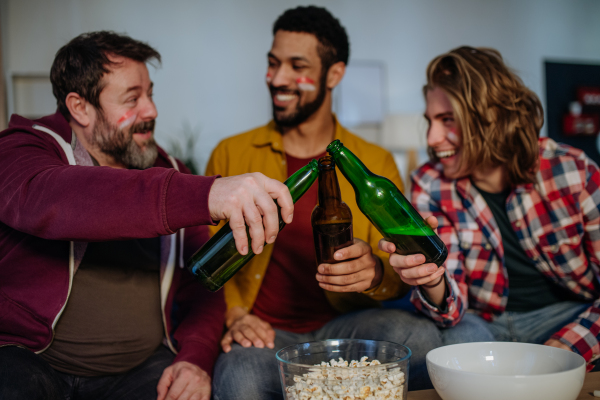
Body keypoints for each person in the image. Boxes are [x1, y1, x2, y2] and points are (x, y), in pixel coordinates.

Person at [0, 31, 294, 400]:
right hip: (27, 360)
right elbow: (59, 198)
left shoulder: (172, 169)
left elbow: (201, 286)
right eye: (132, 99)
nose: (151, 110)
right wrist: (207, 192)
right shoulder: (21, 149)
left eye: (150, 93)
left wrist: (196, 359)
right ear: (80, 107)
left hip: (140, 371)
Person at [207, 6, 442, 398]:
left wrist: (376, 274)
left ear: (334, 74)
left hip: (346, 328)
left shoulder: (375, 161)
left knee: (420, 338)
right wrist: (234, 314)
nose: (278, 78)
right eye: (272, 63)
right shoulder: (230, 154)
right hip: (265, 331)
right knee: (239, 381)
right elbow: (207, 257)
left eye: (296, 65)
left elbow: (398, 275)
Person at [380, 46, 600, 369]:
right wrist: (431, 280)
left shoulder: (572, 171)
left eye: (447, 120)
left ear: (490, 116)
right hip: (482, 323)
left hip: (566, 315)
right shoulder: (429, 183)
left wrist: (562, 350)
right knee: (455, 341)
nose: (432, 137)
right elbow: (451, 309)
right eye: (429, 121)